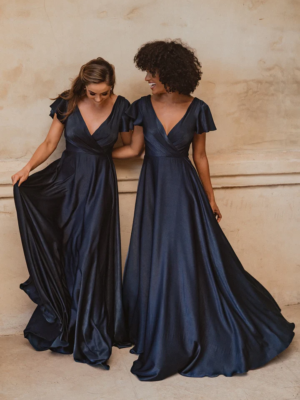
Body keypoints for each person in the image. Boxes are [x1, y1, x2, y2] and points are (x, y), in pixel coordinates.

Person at [112, 40, 295, 381]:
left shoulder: (198, 109)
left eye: (154, 72)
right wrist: (90, 154)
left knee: (187, 256)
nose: (148, 77)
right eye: (148, 71)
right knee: (158, 255)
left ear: (172, 73)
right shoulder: (140, 106)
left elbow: (200, 157)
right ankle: (160, 324)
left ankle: (191, 324)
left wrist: (210, 197)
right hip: (154, 191)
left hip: (185, 190)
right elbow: (134, 150)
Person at [12, 57, 131, 368]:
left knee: (91, 252)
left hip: (99, 187)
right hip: (65, 184)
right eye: (93, 92)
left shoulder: (122, 107)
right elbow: (51, 142)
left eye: (104, 92)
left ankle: (88, 327)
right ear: (84, 84)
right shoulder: (67, 102)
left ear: (112, 86)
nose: (99, 98)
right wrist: (27, 168)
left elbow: (132, 148)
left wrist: (100, 155)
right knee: (66, 249)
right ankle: (64, 320)